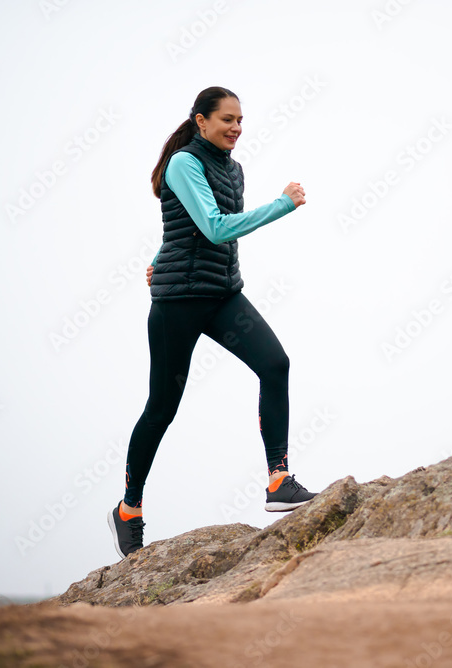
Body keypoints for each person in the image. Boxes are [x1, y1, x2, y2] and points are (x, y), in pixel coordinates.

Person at [107, 86, 318, 559]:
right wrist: (282, 204)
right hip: (178, 303)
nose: (236, 128)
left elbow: (182, 227)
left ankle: (279, 479)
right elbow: (215, 226)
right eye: (227, 119)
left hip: (223, 294)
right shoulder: (184, 162)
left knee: (275, 363)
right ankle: (129, 507)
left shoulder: (233, 168)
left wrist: (160, 257)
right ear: (201, 121)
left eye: (241, 120)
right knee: (163, 407)